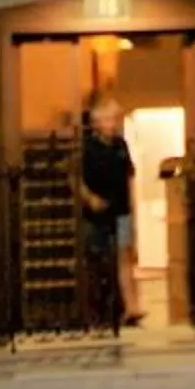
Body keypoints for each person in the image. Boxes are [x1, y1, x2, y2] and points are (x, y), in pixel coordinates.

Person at [77, 94, 140, 327]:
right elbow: (75, 179)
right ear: (97, 122)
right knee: (98, 261)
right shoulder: (88, 148)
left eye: (116, 119)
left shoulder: (121, 146)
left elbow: (130, 177)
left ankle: (130, 306)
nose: (114, 124)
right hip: (97, 215)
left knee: (124, 257)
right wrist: (89, 198)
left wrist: (133, 210)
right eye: (110, 119)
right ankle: (99, 311)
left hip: (121, 212)